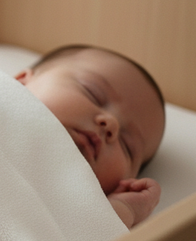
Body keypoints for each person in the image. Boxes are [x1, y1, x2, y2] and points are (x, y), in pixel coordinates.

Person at [14, 45, 165, 229]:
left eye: (127, 146)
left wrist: (122, 210)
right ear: (22, 82)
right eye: (93, 93)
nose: (111, 124)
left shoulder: (66, 212)